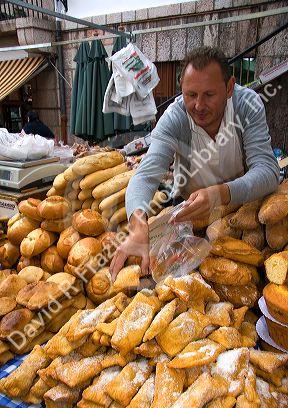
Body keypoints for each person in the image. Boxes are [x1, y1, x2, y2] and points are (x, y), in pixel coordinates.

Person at [110, 46, 279, 281]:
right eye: (191, 95)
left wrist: (221, 193)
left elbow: (268, 171)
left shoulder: (246, 105)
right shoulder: (175, 118)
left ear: (229, 87)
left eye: (209, 95)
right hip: (190, 221)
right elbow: (146, 176)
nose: (199, 106)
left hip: (241, 217)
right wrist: (137, 221)